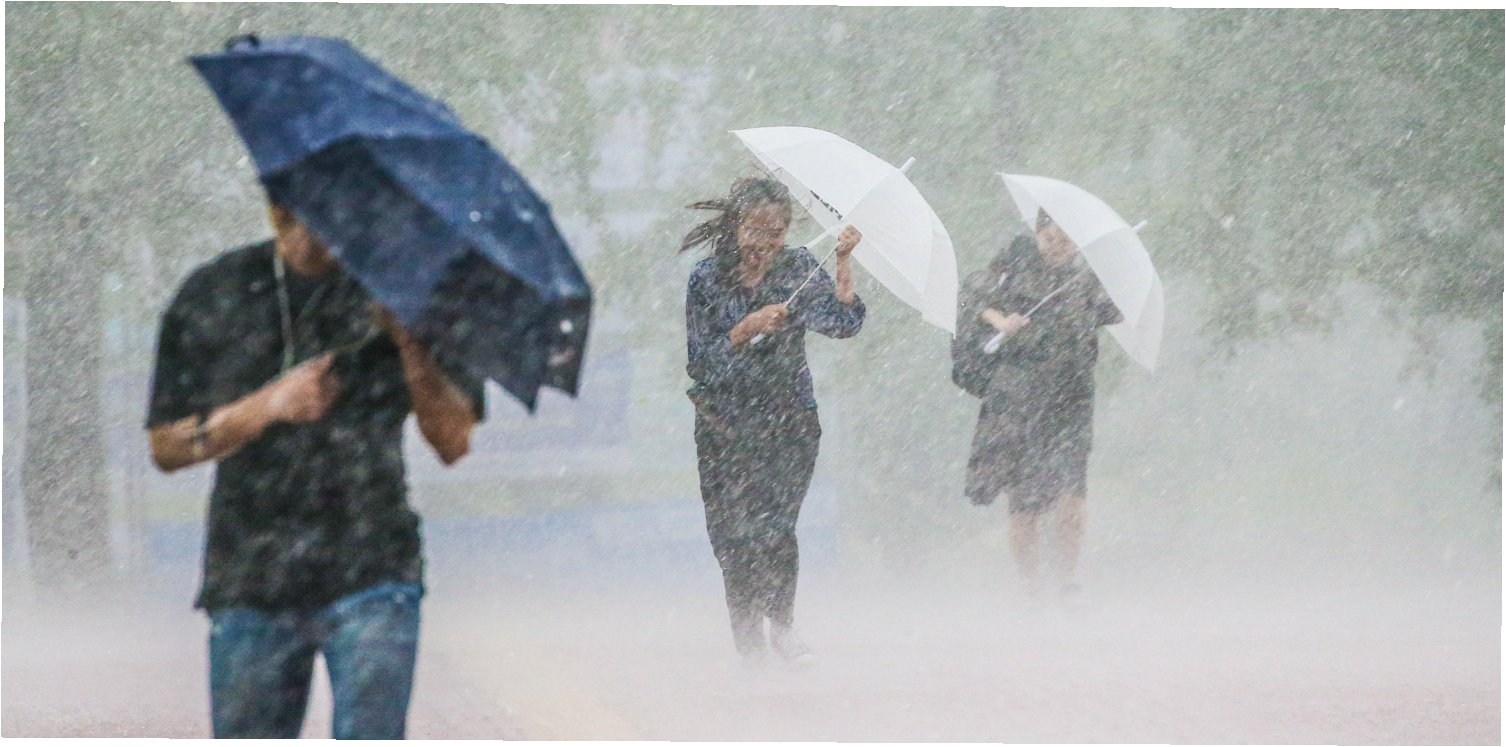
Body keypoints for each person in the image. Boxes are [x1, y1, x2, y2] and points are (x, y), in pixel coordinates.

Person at [145, 202, 485, 738]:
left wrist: (412, 345)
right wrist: (266, 406)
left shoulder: (407, 293)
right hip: (251, 575)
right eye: (294, 212)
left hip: (373, 568)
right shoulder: (216, 292)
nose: (311, 233)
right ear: (273, 206)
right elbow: (165, 446)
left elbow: (454, 440)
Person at [682, 177, 865, 665]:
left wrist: (843, 262)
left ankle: (782, 627)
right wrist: (744, 329)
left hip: (789, 422)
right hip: (724, 427)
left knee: (774, 526)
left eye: (776, 232)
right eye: (755, 230)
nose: (764, 243)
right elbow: (701, 364)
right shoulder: (706, 279)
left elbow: (843, 323)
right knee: (731, 538)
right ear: (736, 226)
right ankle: (750, 646)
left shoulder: (799, 268)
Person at [954, 209, 1121, 601]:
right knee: (1024, 504)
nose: (1058, 248)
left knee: (1072, 493)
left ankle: (1067, 582)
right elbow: (972, 295)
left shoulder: (1087, 277)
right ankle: (1032, 591)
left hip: (1072, 398)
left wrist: (1114, 284)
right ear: (1037, 234)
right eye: (1051, 239)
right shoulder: (1014, 262)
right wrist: (1001, 320)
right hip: (1019, 400)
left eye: (1067, 241)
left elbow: (1111, 311)